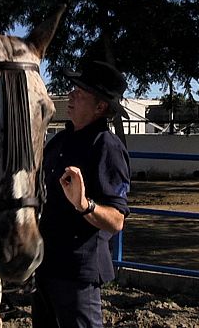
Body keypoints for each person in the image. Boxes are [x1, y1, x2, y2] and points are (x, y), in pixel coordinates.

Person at [31, 60, 131, 328]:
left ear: (100, 107)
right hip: (45, 266)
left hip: (76, 272)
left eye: (81, 91)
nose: (71, 94)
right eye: (73, 88)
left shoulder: (107, 147)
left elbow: (117, 220)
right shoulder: (60, 141)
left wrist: (84, 205)